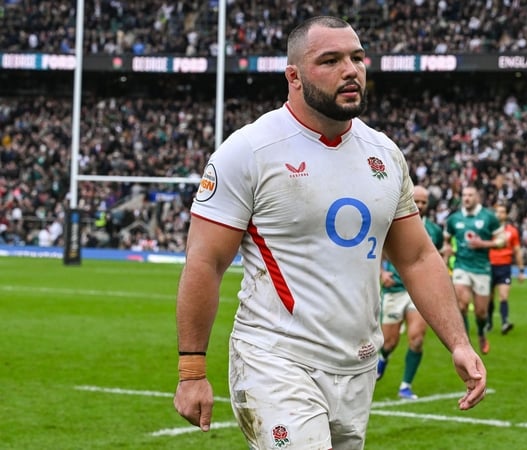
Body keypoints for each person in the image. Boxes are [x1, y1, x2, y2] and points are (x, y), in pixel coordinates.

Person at [172, 16, 487, 450]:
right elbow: (204, 262)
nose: (351, 70)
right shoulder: (249, 151)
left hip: (357, 365)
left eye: (357, 58)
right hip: (276, 359)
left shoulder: (384, 153)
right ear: (294, 77)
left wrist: (458, 342)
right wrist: (192, 372)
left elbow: (416, 257)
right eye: (331, 60)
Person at [376, 185, 445, 400]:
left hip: (420, 291)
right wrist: (381, 273)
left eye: (424, 202)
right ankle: (383, 358)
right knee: (389, 342)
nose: (421, 205)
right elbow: (375, 249)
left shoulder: (434, 230)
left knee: (416, 339)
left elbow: (435, 257)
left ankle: (405, 385)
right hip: (394, 289)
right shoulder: (391, 226)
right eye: (418, 201)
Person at [444, 185, 505, 354]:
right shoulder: (454, 219)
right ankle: (466, 342)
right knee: (462, 305)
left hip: (482, 268)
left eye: (470, 195)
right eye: (464, 195)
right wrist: (447, 250)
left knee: (481, 312)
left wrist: (484, 244)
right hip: (461, 266)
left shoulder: (489, 217)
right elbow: (446, 240)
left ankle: (481, 333)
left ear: (477, 197)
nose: (466, 198)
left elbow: (502, 240)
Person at [487, 203, 524, 335]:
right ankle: (489, 322)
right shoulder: (489, 229)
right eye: (497, 212)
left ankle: (504, 323)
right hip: (489, 265)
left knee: (503, 296)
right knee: (489, 298)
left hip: (504, 267)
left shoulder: (512, 231)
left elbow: (517, 251)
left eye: (502, 212)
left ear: (506, 215)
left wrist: (521, 270)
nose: (499, 214)